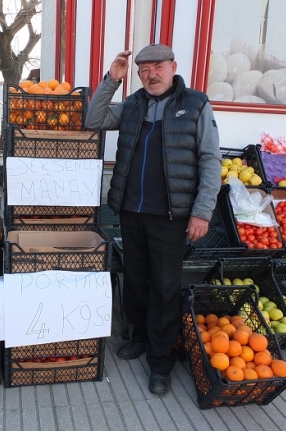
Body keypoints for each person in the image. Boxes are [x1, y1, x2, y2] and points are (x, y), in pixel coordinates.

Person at [85, 44, 221, 395]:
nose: (151, 74)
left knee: (163, 288)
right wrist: (111, 80)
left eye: (158, 66)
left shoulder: (195, 104)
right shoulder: (132, 105)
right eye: (143, 69)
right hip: (131, 211)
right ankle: (142, 338)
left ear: (173, 67)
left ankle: (161, 362)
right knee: (137, 280)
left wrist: (202, 212)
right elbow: (94, 120)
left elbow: (210, 160)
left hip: (170, 217)